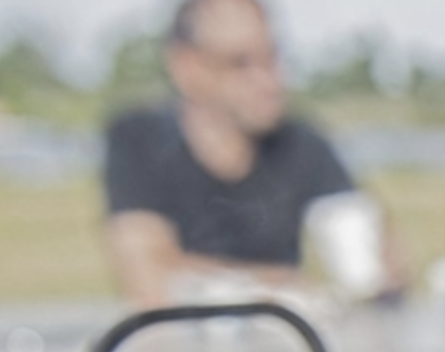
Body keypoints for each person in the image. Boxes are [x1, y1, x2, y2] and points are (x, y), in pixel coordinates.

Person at [102, 0, 396, 308]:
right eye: (240, 63)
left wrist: (380, 269)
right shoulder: (139, 138)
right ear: (186, 66)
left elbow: (367, 259)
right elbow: (150, 283)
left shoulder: (302, 143)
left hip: (282, 351)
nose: (268, 81)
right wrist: (289, 290)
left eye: (272, 58)